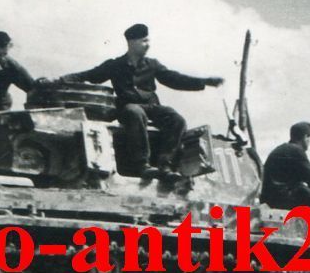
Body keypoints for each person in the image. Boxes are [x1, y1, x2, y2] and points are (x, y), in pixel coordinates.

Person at [61, 23, 223, 178]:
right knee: (134, 112)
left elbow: (174, 79)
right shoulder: (115, 65)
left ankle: (166, 163)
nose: (148, 44)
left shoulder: (152, 65)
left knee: (176, 119)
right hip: (127, 107)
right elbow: (89, 75)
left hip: (151, 106)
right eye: (144, 41)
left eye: (148, 40)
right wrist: (62, 79)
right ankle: (142, 164)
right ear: (132, 42)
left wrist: (204, 82)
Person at [260, 122, 310, 230]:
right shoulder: (296, 151)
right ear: (305, 137)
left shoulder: (281, 149)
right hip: (284, 199)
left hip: (270, 198)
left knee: (304, 190)